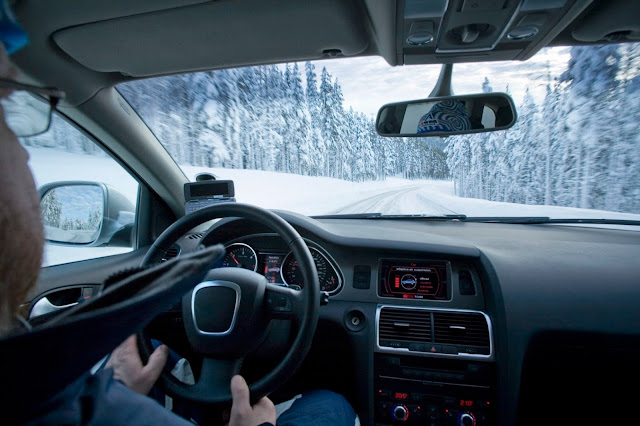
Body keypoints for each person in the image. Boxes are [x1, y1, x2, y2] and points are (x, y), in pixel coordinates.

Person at [0, 7, 357, 425]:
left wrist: (118, 388)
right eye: (6, 109)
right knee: (333, 402)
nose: (24, 151)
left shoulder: (44, 391)